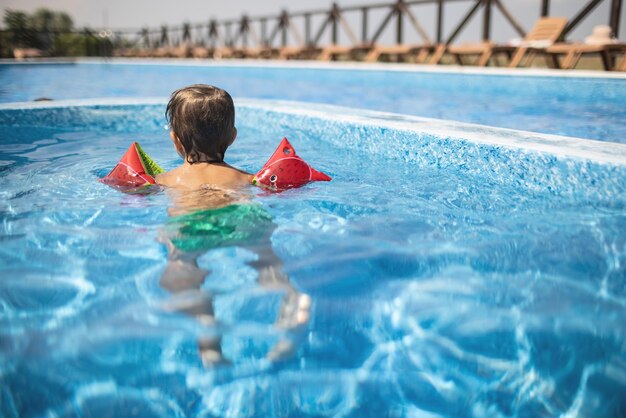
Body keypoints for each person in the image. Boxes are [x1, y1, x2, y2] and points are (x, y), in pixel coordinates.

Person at [156, 84, 310, 365]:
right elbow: (272, 188)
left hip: (192, 223)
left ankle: (207, 332)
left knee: (179, 269)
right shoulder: (246, 178)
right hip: (243, 215)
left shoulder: (167, 180)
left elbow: (136, 192)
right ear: (233, 137)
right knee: (267, 261)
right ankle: (290, 296)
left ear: (176, 141)